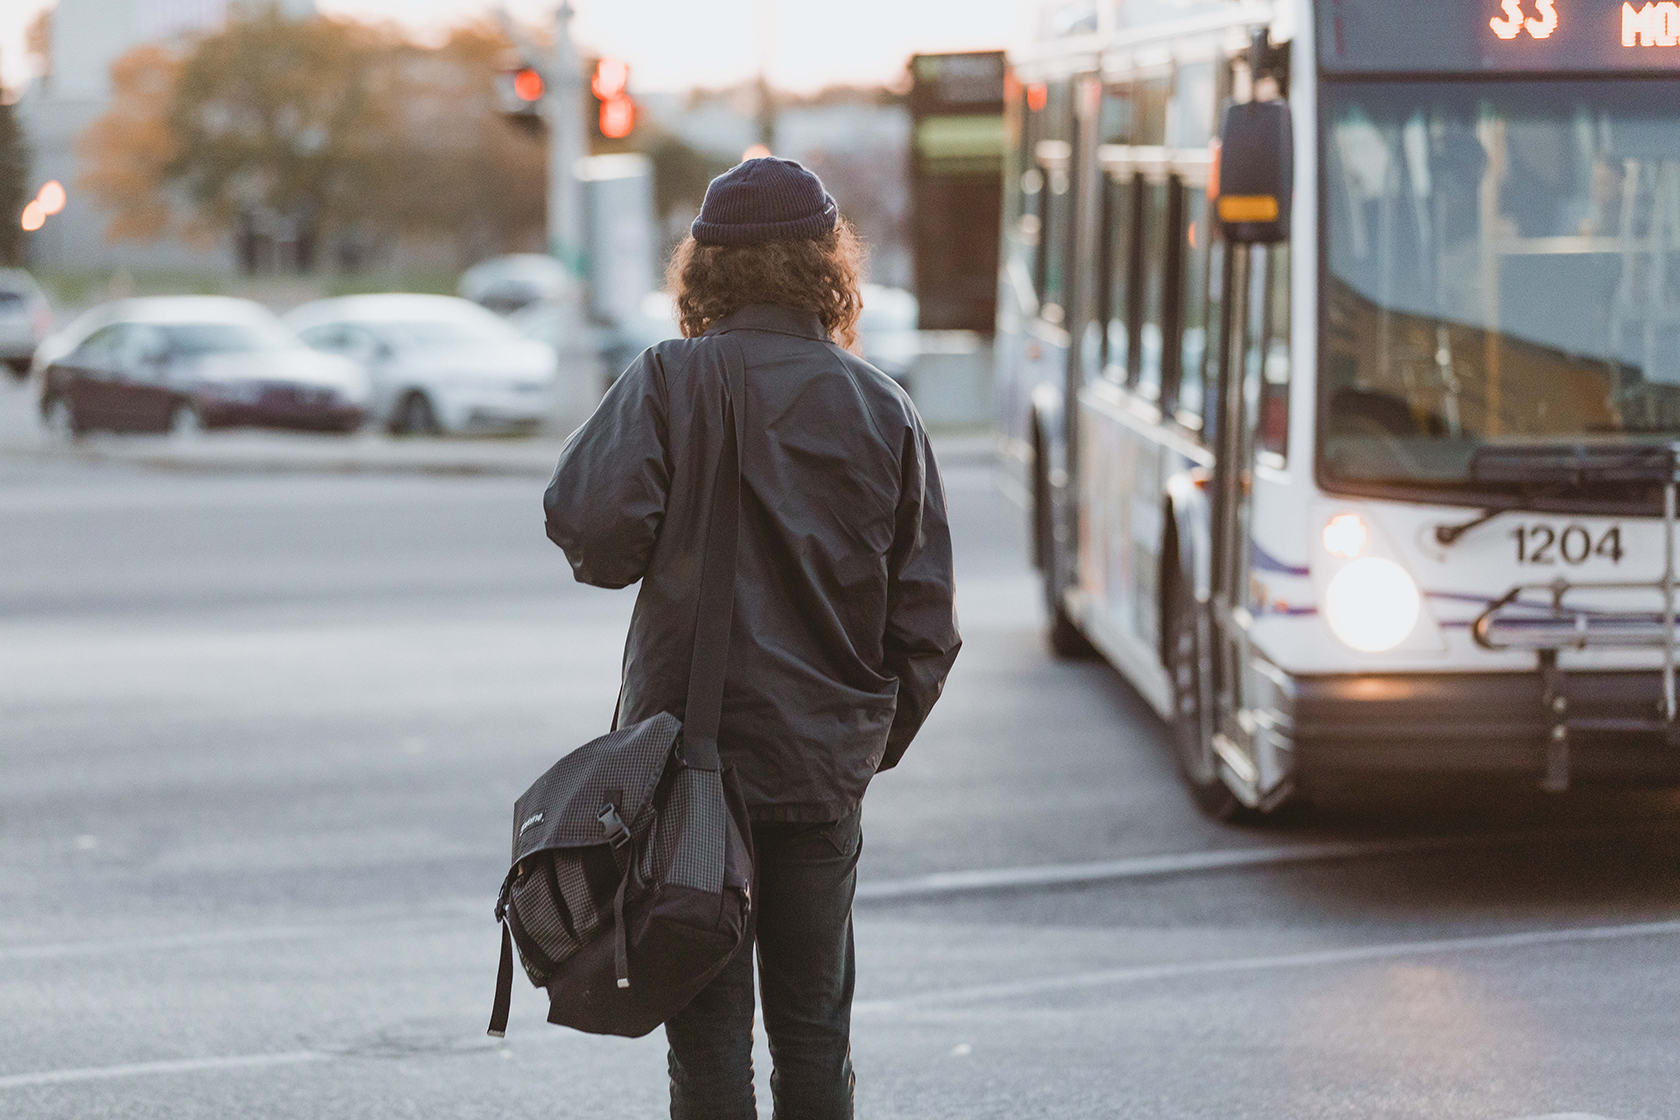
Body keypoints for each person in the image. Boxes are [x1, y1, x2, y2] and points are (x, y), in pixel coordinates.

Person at [542, 157, 961, 1119]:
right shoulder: (882, 407)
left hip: (690, 771)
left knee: (708, 1052)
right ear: (826, 266)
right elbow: (927, 626)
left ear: (705, 270)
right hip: (820, 770)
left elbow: (594, 539)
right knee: (815, 1043)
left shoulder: (667, 380)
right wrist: (858, 743)